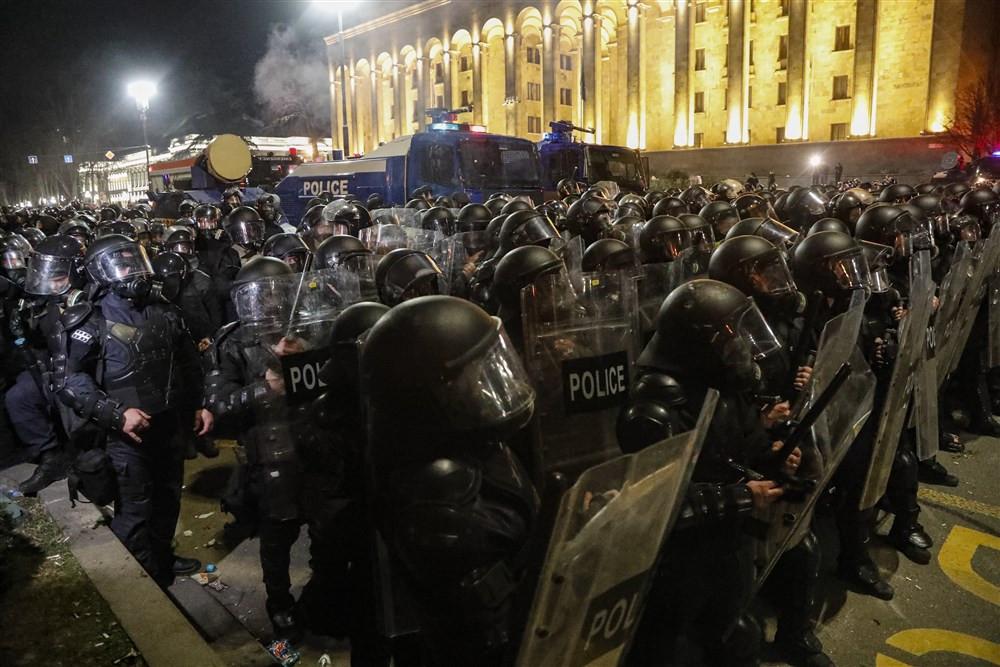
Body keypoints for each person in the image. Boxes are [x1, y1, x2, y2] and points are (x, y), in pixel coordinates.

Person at [618, 279, 790, 666]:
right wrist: (743, 496)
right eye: (727, 337)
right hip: (678, 559)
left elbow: (739, 444)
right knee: (665, 646)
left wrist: (773, 455)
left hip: (726, 538)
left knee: (736, 632)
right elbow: (658, 502)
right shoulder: (654, 411)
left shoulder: (721, 385)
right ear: (695, 343)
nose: (740, 346)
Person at [52, 234, 210, 586]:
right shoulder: (90, 319)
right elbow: (69, 382)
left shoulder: (165, 310)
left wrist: (199, 405)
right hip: (124, 438)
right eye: (121, 265)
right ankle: (144, 582)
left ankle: (162, 559)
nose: (132, 271)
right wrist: (117, 413)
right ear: (101, 273)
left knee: (168, 499)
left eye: (135, 262)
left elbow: (189, 363)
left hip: (169, 427)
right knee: (135, 509)